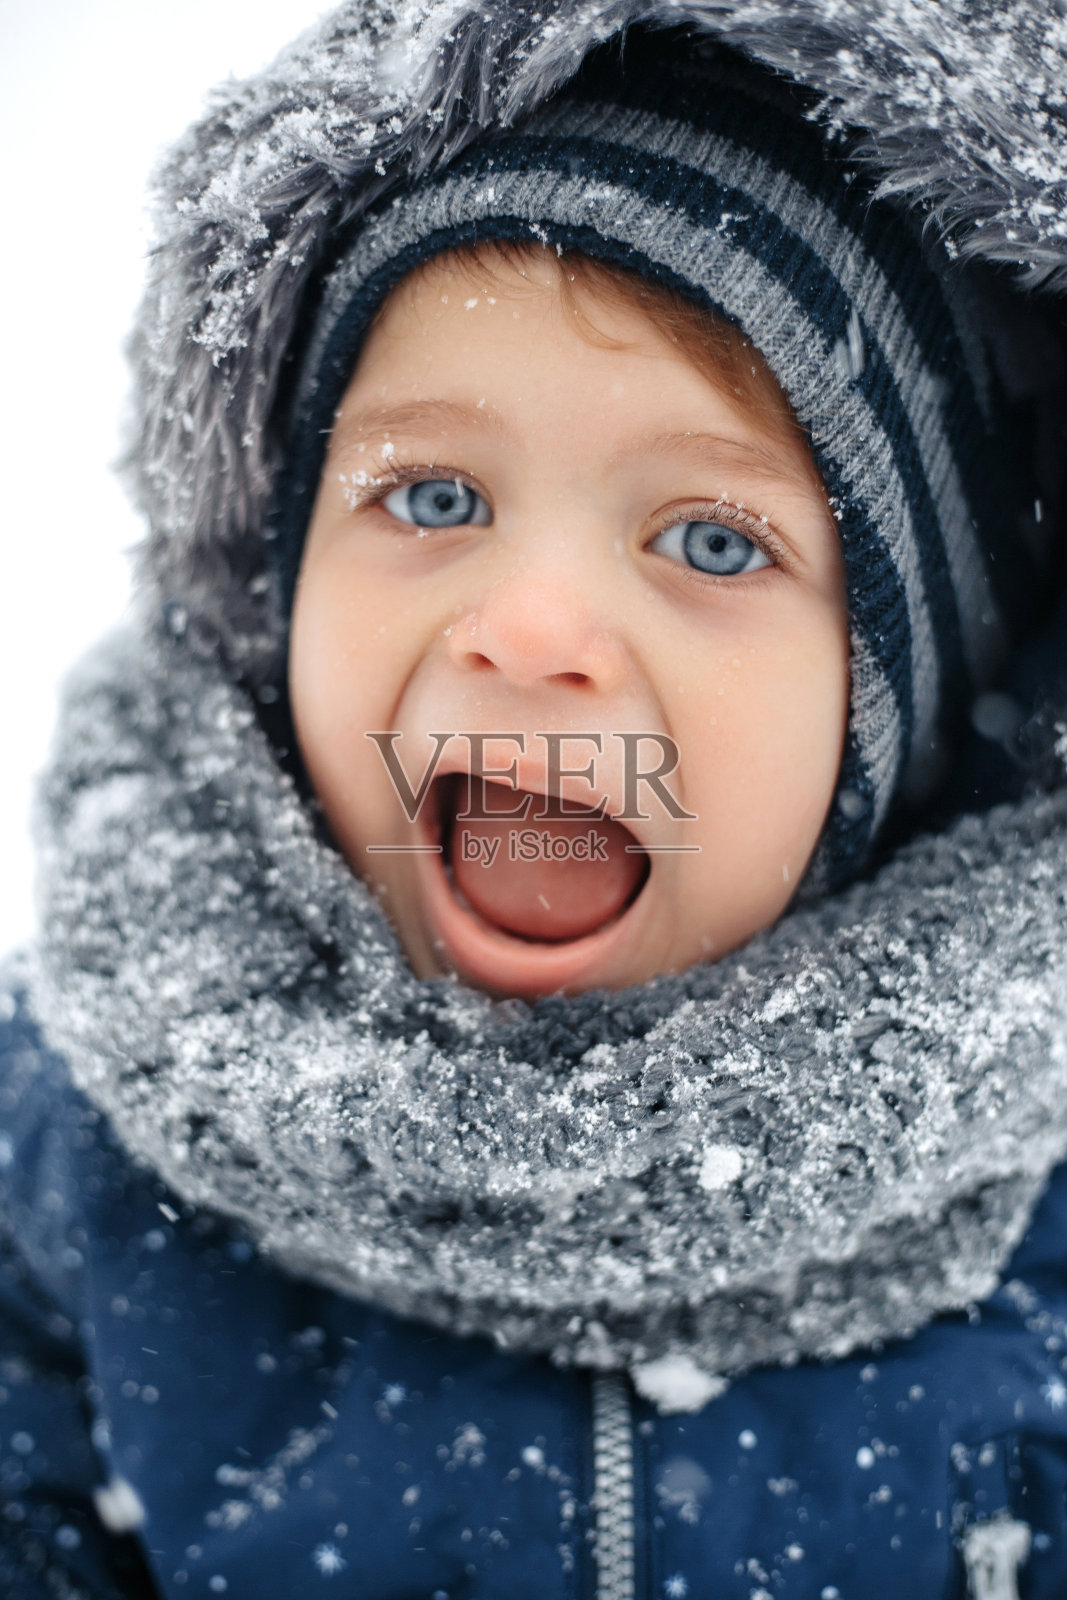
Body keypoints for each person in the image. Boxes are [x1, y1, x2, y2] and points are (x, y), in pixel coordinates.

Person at [2, 5, 1067, 1597]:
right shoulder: (80, 1141)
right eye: (433, 499)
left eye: (712, 542)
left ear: (903, 720)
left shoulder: (1035, 1195)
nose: (530, 626)